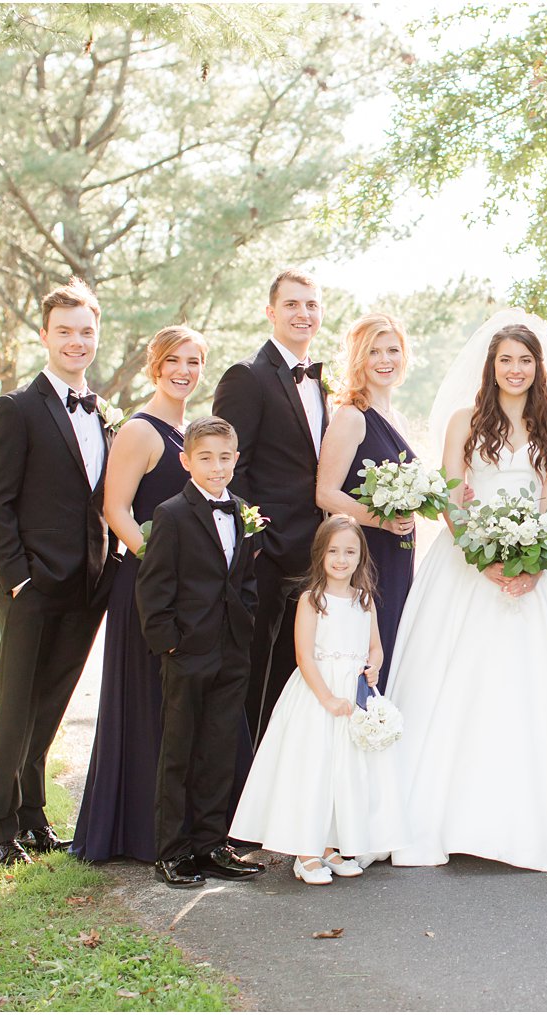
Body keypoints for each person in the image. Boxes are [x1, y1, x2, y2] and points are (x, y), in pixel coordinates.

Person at [385, 311, 547, 872]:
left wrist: (535, 563)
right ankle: (444, 821)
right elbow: (453, 498)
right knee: (456, 681)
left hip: (537, 571)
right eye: (505, 359)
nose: (515, 369)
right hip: (466, 568)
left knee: (539, 686)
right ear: (491, 366)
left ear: (539, 368)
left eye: (525, 360)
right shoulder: (466, 420)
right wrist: (482, 560)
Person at [0, 277, 118, 866]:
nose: (76, 342)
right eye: (65, 332)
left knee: (52, 703)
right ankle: (0, 828)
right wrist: (18, 578)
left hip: (86, 587)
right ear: (44, 336)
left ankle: (34, 817)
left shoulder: (105, 413)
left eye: (86, 332)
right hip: (30, 586)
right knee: (16, 704)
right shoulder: (16, 409)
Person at [73, 326, 223, 863]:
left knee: (179, 711)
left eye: (194, 362)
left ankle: (179, 829)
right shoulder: (141, 430)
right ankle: (139, 832)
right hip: (146, 589)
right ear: (154, 365)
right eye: (174, 361)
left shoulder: (193, 432)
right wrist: (162, 568)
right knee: (148, 705)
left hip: (190, 596)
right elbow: (115, 509)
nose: (184, 371)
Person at [231, 515, 409, 884]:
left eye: (350, 552)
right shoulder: (312, 600)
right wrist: (326, 697)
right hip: (318, 693)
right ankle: (306, 852)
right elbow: (304, 656)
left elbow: (375, 648)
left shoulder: (365, 599)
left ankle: (330, 845)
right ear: (320, 555)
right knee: (313, 768)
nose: (341, 559)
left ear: (361, 556)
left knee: (343, 772)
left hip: (354, 696)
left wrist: (373, 669)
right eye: (333, 551)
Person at [135, 416, 265, 888]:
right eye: (205, 458)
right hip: (187, 652)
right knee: (180, 751)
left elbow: (244, 580)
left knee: (219, 748)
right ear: (186, 461)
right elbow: (153, 589)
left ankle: (212, 844)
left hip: (232, 650)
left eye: (225, 457)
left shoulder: (243, 510)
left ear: (236, 459)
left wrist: (244, 624)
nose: (216, 467)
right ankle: (171, 851)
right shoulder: (171, 514)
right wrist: (170, 642)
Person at [213, 267, 329, 745]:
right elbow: (226, 469)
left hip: (312, 556)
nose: (302, 314)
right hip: (265, 558)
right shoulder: (247, 376)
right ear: (270, 312)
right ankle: (235, 798)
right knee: (251, 679)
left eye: (311, 305)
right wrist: (256, 540)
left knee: (290, 679)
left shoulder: (321, 382)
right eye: (292, 304)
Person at [315, 313, 418, 693]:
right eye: (374, 351)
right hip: (368, 551)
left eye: (393, 350)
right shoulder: (351, 416)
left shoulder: (399, 419)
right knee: (368, 648)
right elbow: (325, 493)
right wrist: (382, 521)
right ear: (359, 358)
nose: (385, 359)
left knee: (394, 645)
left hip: (400, 551)